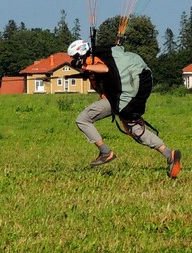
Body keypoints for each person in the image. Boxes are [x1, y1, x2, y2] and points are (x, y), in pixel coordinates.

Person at [68, 38, 180, 178]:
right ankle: (169, 155)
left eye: (74, 58)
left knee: (83, 119)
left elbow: (106, 68)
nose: (72, 60)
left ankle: (105, 151)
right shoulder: (100, 56)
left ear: (80, 55)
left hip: (119, 99)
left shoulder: (95, 59)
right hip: (120, 98)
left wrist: (85, 67)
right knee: (136, 130)